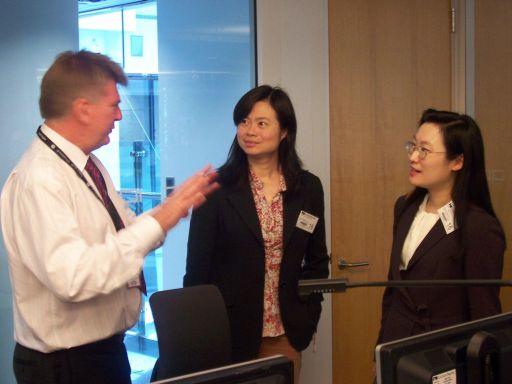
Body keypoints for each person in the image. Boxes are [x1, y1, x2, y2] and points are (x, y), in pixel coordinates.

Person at [0, 50, 218, 384]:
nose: (119, 116)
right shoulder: (40, 179)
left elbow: (127, 229)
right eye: (114, 105)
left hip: (101, 355)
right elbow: (73, 278)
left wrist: (168, 211)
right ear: (83, 109)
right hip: (66, 367)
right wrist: (163, 217)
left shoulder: (87, 165)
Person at [183, 85, 330, 383]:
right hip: (229, 331)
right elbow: (197, 270)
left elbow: (316, 262)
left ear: (285, 131)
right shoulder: (215, 188)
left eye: (262, 123)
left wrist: (309, 314)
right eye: (244, 121)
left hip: (285, 331)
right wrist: (200, 332)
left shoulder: (307, 188)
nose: (249, 131)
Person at [377, 108, 506, 346]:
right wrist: (381, 346)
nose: (413, 157)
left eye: (424, 150)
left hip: (442, 355)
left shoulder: (480, 227)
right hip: (396, 345)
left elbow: (484, 315)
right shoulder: (404, 207)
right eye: (413, 146)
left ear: (457, 161)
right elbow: (393, 289)